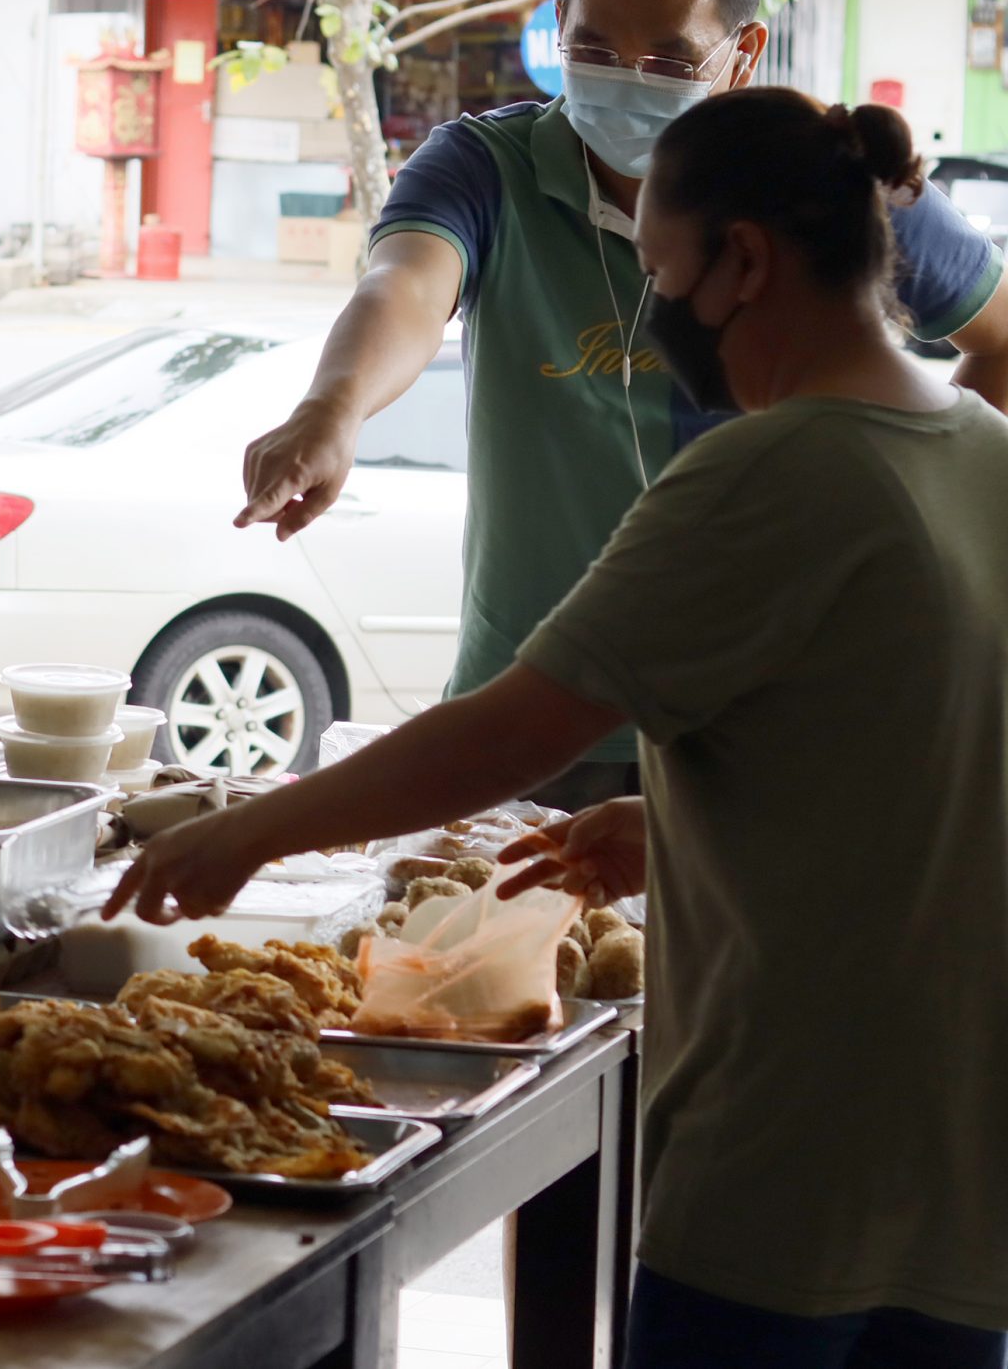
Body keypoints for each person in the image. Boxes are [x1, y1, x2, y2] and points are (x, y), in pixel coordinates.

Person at [114, 92, 1008, 1367]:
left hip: (787, 1156)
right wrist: (691, 822)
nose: (652, 313)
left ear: (741, 262)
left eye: (656, 271)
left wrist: (250, 830)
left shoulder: (772, 468)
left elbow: (506, 736)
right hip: (962, 1160)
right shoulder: (978, 445)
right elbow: (921, 762)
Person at [236, 0, 1008, 811]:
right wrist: (334, 407)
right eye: (596, 49)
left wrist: (933, 490)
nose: (627, 78)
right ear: (559, 25)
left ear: (742, 53)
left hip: (758, 732)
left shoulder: (829, 189)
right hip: (531, 716)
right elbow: (402, 284)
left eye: (670, 58)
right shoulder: (490, 168)